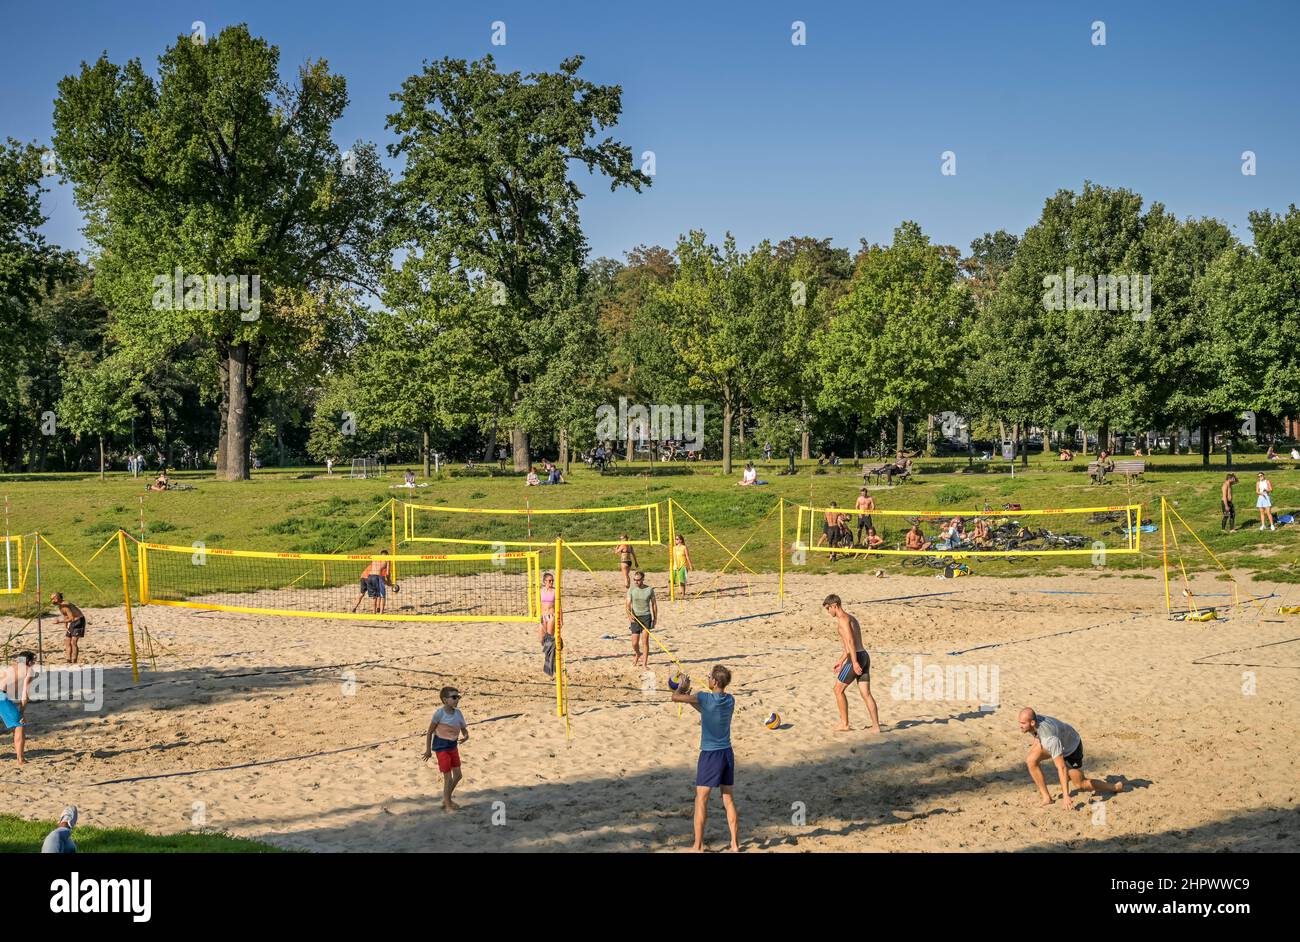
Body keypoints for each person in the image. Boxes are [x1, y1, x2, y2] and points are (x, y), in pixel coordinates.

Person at [670, 665, 739, 852]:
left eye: (709, 676)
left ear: (715, 682)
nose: (707, 678)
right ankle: (734, 844)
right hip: (727, 754)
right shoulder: (730, 700)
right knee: (728, 800)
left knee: (701, 800)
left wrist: (680, 687)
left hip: (710, 755)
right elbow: (707, 712)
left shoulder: (704, 697)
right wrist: (690, 698)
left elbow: (674, 698)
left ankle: (698, 845)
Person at [1018, 707, 1124, 809]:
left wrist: (1066, 796)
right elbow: (1038, 734)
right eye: (1019, 722)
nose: (1020, 726)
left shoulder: (1050, 739)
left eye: (1022, 723)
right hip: (1060, 740)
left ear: (1032, 723)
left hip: (1072, 748)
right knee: (1031, 760)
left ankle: (1114, 787)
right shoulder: (1036, 720)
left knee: (1080, 784)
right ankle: (1047, 798)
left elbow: (1061, 767)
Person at [822, 595, 881, 734]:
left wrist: (853, 662)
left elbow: (850, 642)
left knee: (837, 690)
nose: (828, 612)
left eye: (828, 608)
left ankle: (844, 723)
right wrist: (841, 661)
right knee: (866, 693)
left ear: (835, 605)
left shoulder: (843, 620)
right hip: (864, 655)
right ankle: (876, 726)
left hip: (856, 658)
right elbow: (850, 645)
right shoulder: (851, 618)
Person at [424, 687, 469, 812]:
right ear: (445, 700)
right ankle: (448, 804)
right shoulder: (439, 714)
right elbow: (429, 732)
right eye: (454, 697)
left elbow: (464, 729)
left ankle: (446, 798)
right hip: (441, 747)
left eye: (458, 697)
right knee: (448, 777)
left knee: (458, 775)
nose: (457, 700)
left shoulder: (458, 713)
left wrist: (466, 736)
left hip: (453, 746)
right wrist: (428, 750)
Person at [0, 652, 35, 764]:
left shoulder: (10, 667)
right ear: (28, 662)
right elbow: (25, 695)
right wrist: (21, 712)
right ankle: (21, 759)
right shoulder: (29, 671)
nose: (34, 663)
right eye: (33, 661)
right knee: (20, 724)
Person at [626, 570, 657, 669]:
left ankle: (644, 664)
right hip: (635, 617)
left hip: (646, 617)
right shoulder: (631, 590)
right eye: (634, 580)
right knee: (634, 643)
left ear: (643, 579)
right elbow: (627, 604)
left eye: (638, 580)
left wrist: (655, 618)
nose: (636, 582)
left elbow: (654, 604)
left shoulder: (649, 589)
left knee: (645, 641)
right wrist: (629, 615)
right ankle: (638, 653)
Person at [50, 593, 85, 664]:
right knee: (67, 641)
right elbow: (66, 616)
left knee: (73, 642)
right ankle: (68, 659)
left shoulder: (65, 605)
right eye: (51, 599)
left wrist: (59, 621)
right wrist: (65, 626)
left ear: (57, 598)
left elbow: (71, 618)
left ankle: (74, 660)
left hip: (79, 621)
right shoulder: (60, 606)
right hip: (73, 622)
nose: (52, 601)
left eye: (52, 599)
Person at [538, 572, 559, 677]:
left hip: (551, 616)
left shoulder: (555, 591)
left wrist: (561, 620)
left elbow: (559, 606)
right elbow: (538, 605)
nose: (551, 582)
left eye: (552, 580)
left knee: (549, 640)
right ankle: (551, 657)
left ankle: (550, 662)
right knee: (542, 640)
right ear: (544, 581)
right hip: (543, 616)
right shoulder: (540, 591)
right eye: (549, 580)